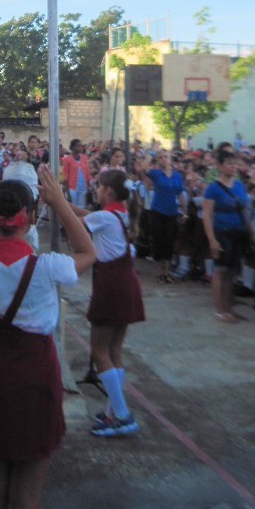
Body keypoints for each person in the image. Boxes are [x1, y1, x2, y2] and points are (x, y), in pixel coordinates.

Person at [0, 166, 96, 509]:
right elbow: (87, 250)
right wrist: (60, 203)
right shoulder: (47, 268)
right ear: (31, 216)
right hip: (35, 374)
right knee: (29, 491)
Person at [77, 169, 144, 438]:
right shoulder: (121, 214)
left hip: (111, 286)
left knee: (99, 350)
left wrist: (57, 203)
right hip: (126, 284)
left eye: (99, 186)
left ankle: (123, 414)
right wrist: (59, 201)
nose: (95, 189)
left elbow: (78, 221)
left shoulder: (105, 217)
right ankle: (112, 411)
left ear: (109, 192)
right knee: (114, 350)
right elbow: (82, 214)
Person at [203, 149, 254, 323]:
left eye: (235, 164)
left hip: (238, 231)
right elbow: (207, 215)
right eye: (229, 164)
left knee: (232, 271)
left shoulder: (239, 185)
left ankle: (229, 308)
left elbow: (244, 209)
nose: (233, 167)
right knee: (220, 270)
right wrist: (212, 240)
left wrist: (251, 231)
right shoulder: (213, 188)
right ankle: (220, 309)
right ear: (220, 166)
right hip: (222, 232)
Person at [140, 151, 187, 282]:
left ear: (170, 159)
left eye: (166, 157)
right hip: (157, 211)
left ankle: (166, 271)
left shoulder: (177, 176)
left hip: (171, 212)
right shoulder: (156, 174)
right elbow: (144, 167)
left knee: (169, 242)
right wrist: (151, 152)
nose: (163, 159)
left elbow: (181, 194)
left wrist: (185, 212)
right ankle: (159, 272)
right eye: (160, 157)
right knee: (157, 241)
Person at [61, 138, 92, 209]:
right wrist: (67, 192)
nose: (80, 147)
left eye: (81, 145)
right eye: (78, 145)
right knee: (73, 208)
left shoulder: (84, 158)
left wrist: (88, 187)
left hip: (83, 188)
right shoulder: (67, 159)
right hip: (72, 188)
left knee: (82, 207)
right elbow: (65, 176)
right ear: (72, 147)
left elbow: (87, 173)